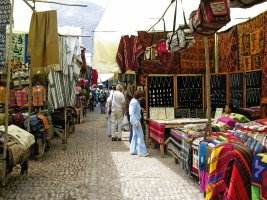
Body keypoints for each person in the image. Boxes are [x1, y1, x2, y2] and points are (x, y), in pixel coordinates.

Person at [129, 90, 149, 157]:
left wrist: (140, 109)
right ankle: (142, 152)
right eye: (141, 96)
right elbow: (132, 113)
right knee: (140, 136)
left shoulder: (134, 101)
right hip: (136, 121)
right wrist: (135, 122)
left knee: (135, 135)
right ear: (139, 96)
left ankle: (133, 150)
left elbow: (134, 111)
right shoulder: (134, 102)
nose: (142, 98)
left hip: (135, 120)